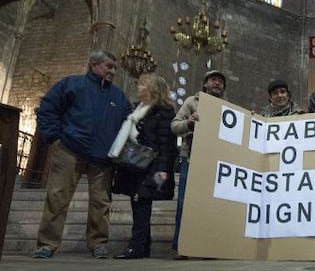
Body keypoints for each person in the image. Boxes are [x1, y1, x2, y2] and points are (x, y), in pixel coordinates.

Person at [32, 50, 131, 259]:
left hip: (103, 157)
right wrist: (55, 138)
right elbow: (48, 109)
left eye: (115, 68)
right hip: (69, 149)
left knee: (101, 203)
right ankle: (47, 244)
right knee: (57, 197)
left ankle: (98, 244)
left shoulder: (119, 96)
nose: (112, 71)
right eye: (108, 66)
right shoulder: (71, 84)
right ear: (93, 64)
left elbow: (128, 124)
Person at [111, 73, 178, 259]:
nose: (138, 88)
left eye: (142, 85)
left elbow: (167, 144)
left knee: (141, 203)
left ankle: (136, 247)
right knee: (137, 202)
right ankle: (143, 245)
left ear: (152, 89)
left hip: (152, 165)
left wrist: (163, 169)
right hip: (134, 165)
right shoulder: (138, 110)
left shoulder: (164, 112)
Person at [171, 70, 226, 259]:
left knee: (212, 205)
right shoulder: (191, 102)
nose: (217, 83)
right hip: (192, 159)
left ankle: (208, 246)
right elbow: (174, 126)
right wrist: (188, 123)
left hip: (216, 161)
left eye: (220, 81)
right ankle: (181, 246)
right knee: (185, 204)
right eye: (213, 80)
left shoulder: (227, 108)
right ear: (205, 84)